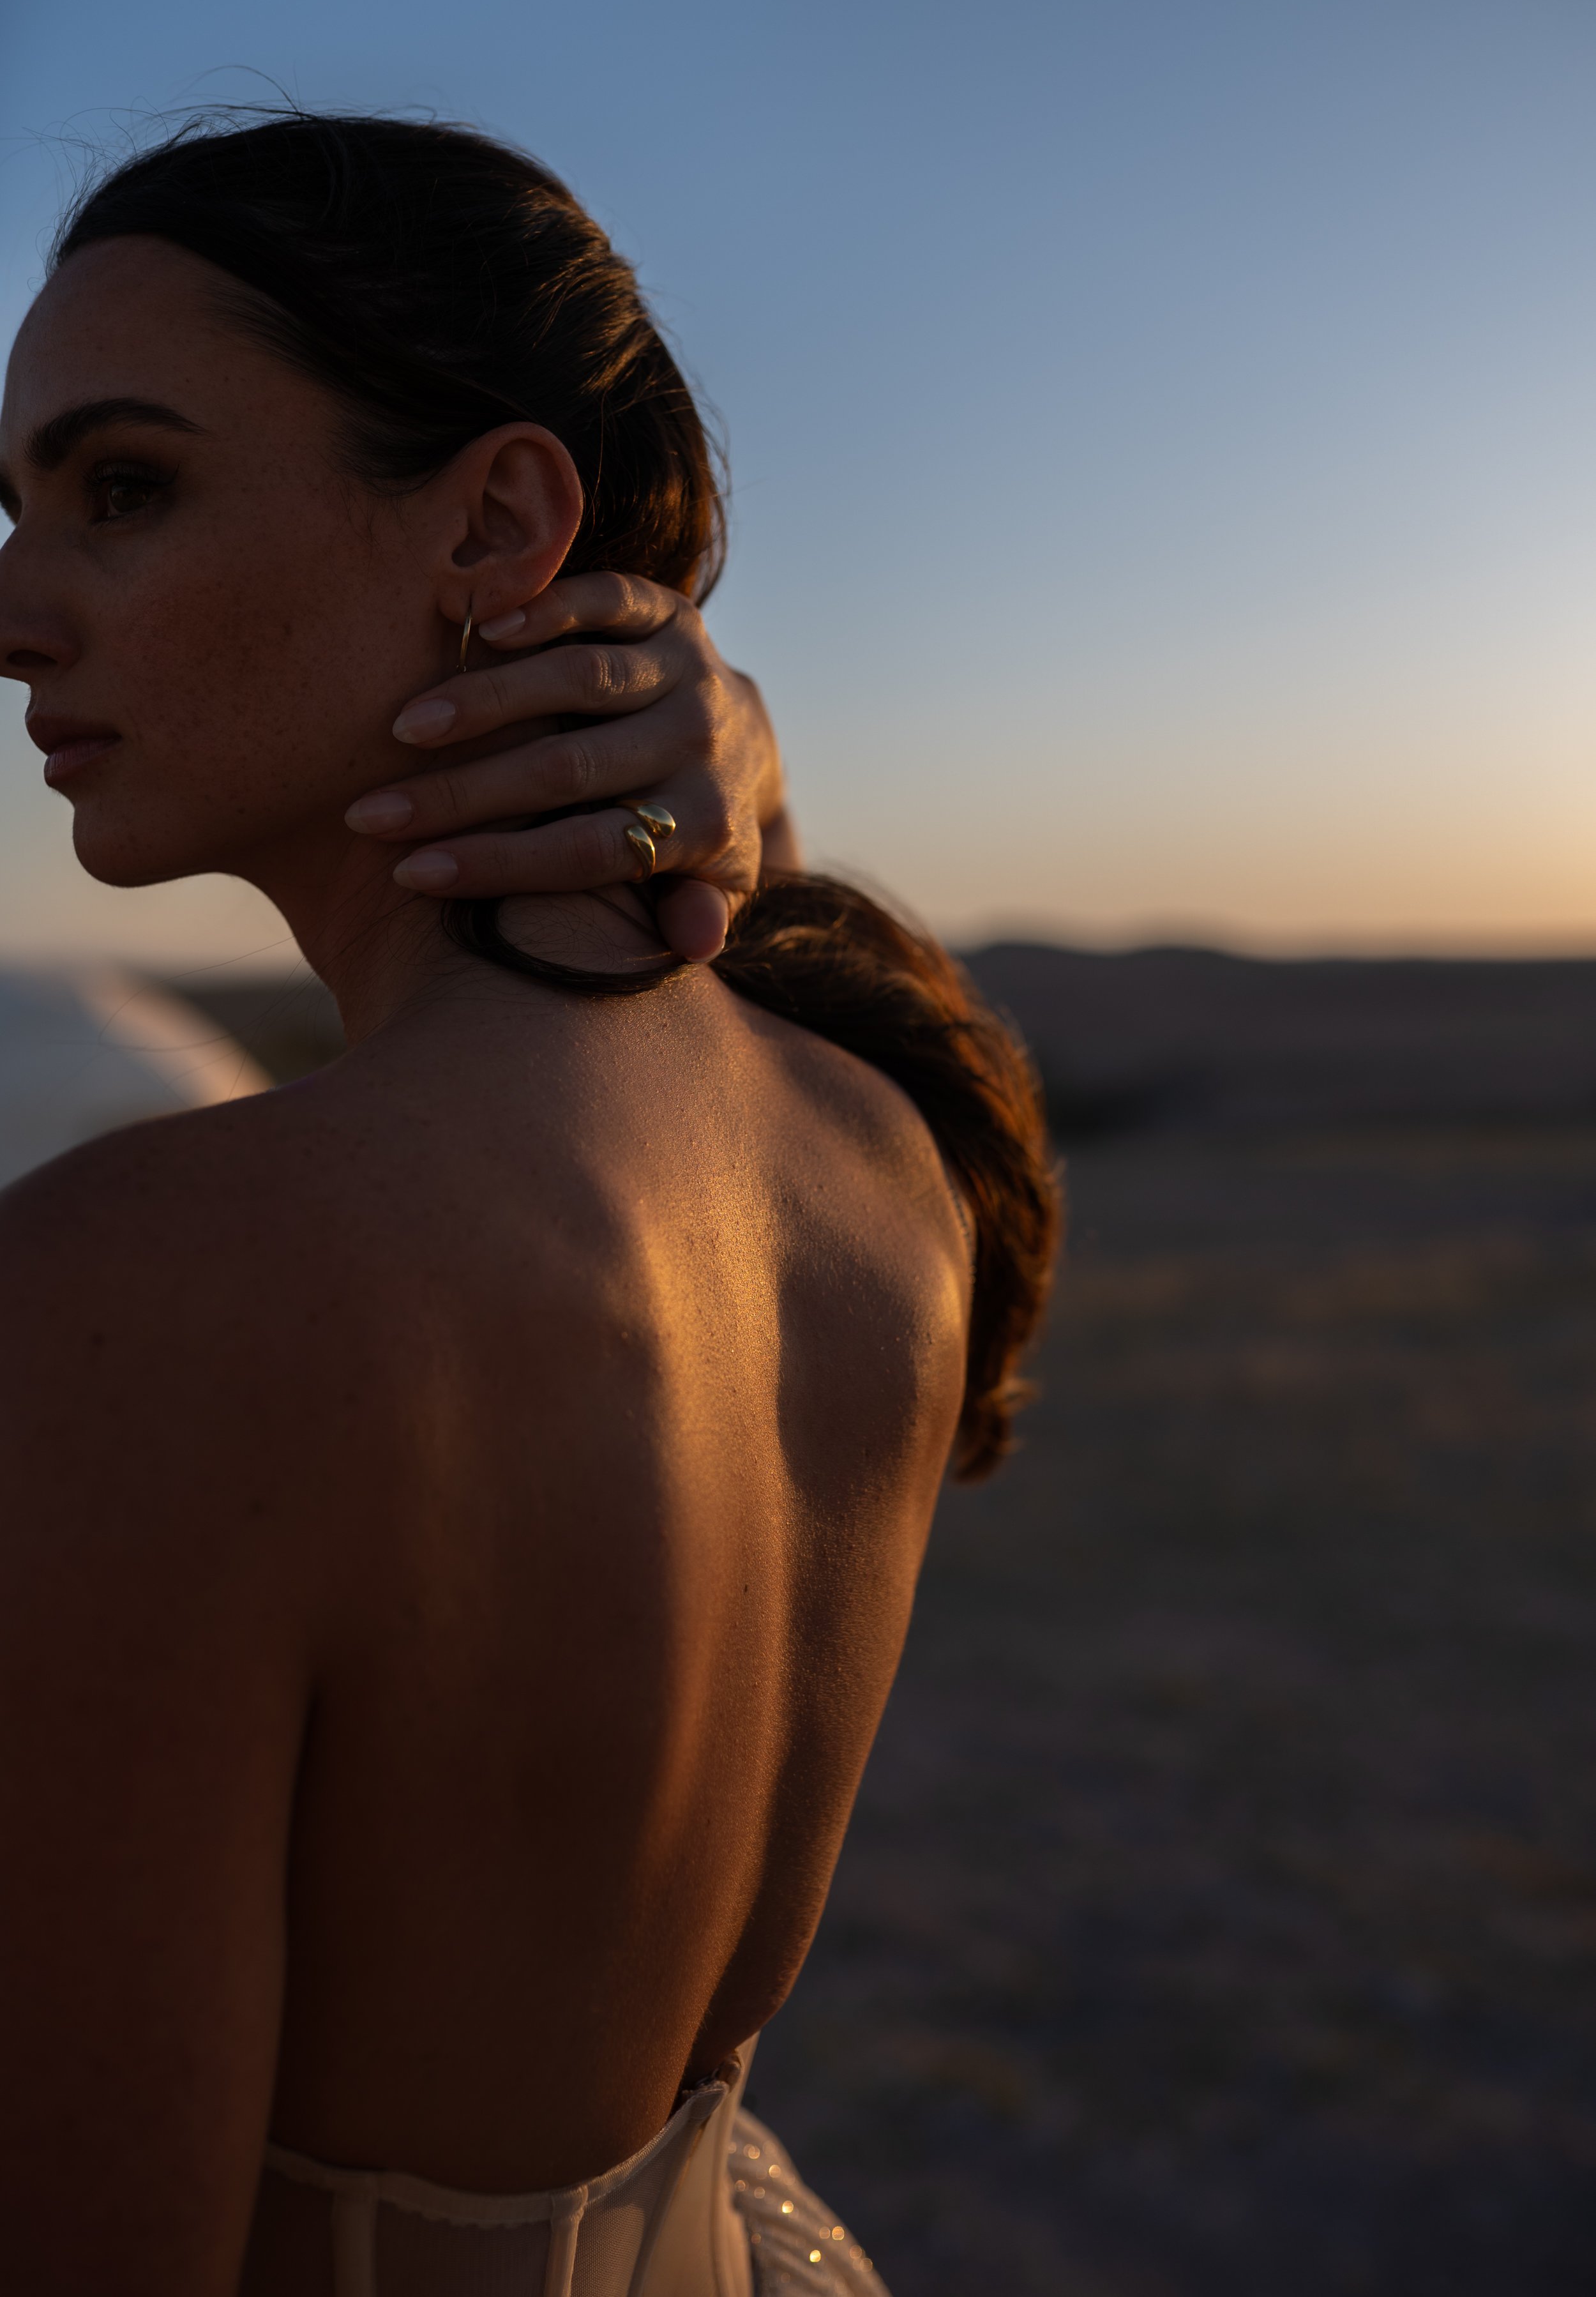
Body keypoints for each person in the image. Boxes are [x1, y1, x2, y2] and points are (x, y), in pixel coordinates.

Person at [0, 112, 1057, 2297]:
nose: (17, 619)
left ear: (495, 517)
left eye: (123, 490)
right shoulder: (883, 1154)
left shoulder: (154, 1287)